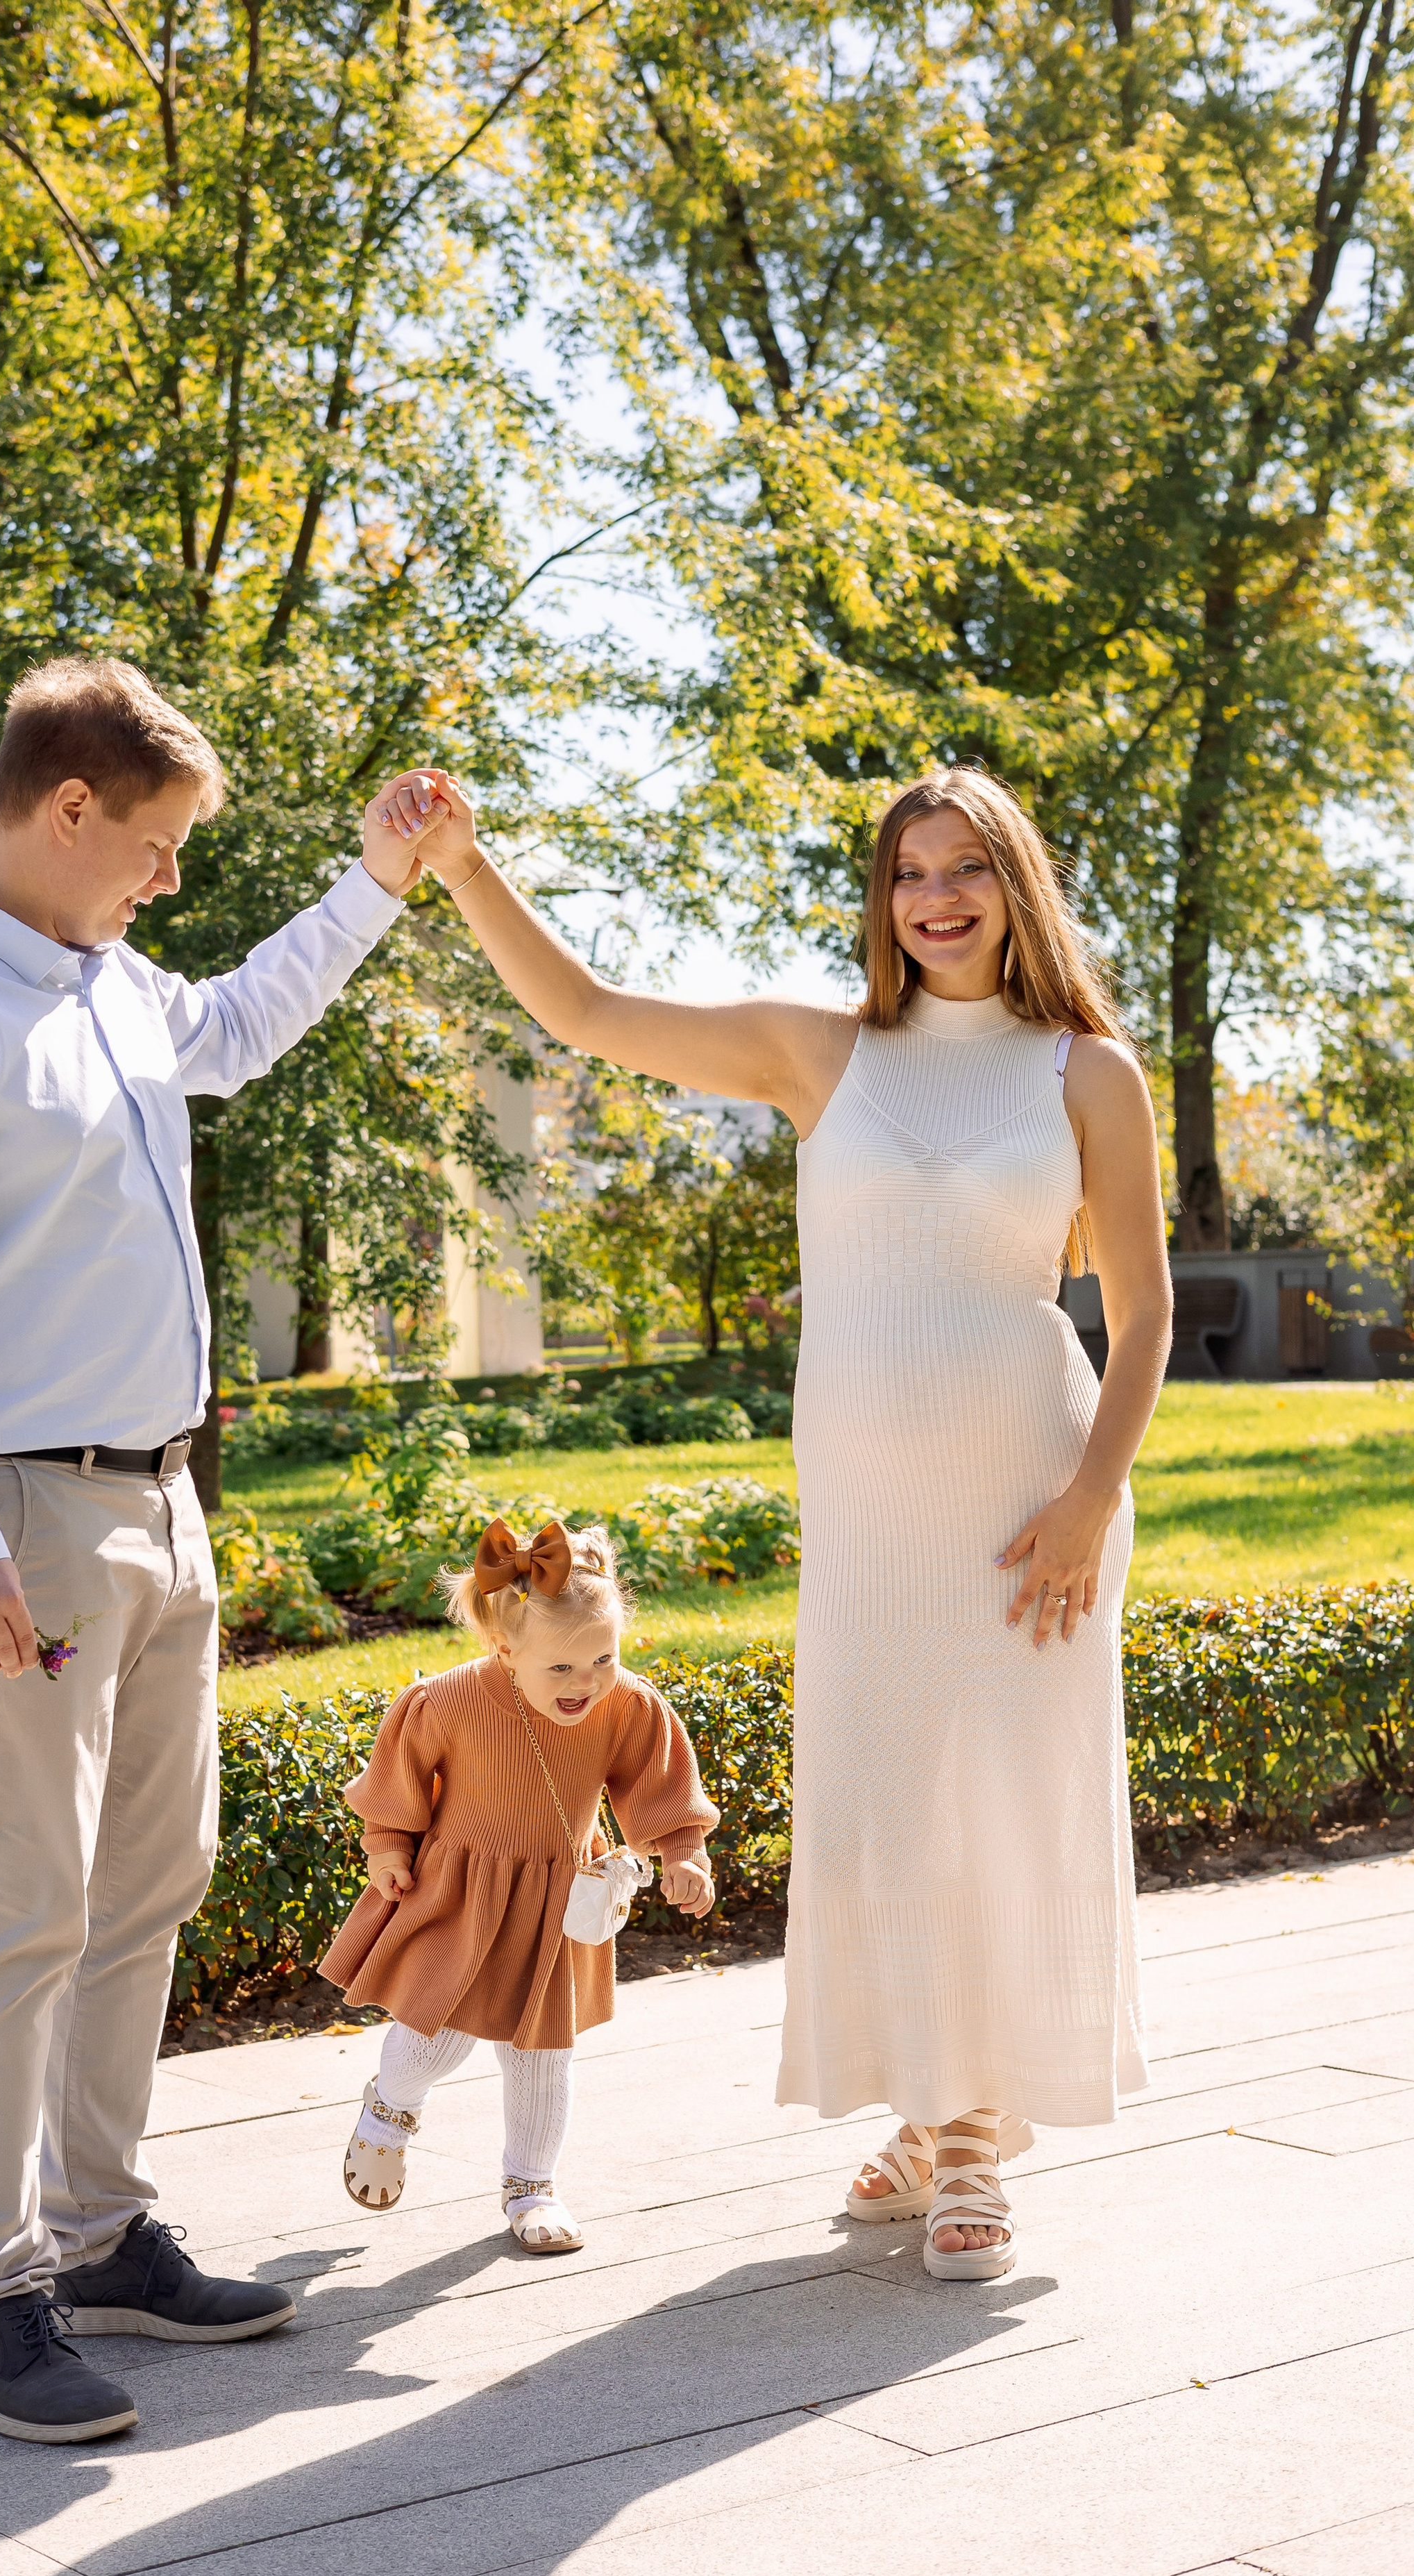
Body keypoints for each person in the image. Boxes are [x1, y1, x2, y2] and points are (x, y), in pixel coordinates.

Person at [373, 761, 1172, 2283]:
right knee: (888, 1804)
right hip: (870, 1514)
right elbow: (586, 1011)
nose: (934, 898)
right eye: (907, 873)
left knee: (1003, 1803)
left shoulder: (1088, 1074)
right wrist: (466, 868)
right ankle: (933, 2102)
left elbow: (1141, 1316)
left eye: (965, 867)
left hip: (1034, 1501)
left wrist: (1088, 1500)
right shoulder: (821, 1053)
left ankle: (968, 2135)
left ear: (1016, 883)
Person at [0, 660, 442, 2444]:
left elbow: (234, 1026)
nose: (169, 879)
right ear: (67, 808)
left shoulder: (110, 982)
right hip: (14, 1514)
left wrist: (374, 880)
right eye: (156, 845)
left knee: (148, 1880)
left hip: (159, 1501)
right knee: (19, 1908)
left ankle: (95, 2236)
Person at [319, 1516, 718, 2253]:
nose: (585, 1682)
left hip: (556, 1901)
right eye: (560, 1667)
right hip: (461, 1891)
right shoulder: (448, 1700)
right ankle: (389, 2110)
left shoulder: (623, 1704)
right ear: (505, 1648)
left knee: (542, 2053)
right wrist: (388, 1845)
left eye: (603, 1658)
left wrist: (681, 1851)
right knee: (436, 2036)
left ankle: (531, 2186)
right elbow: (398, 1776)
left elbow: (657, 1777)